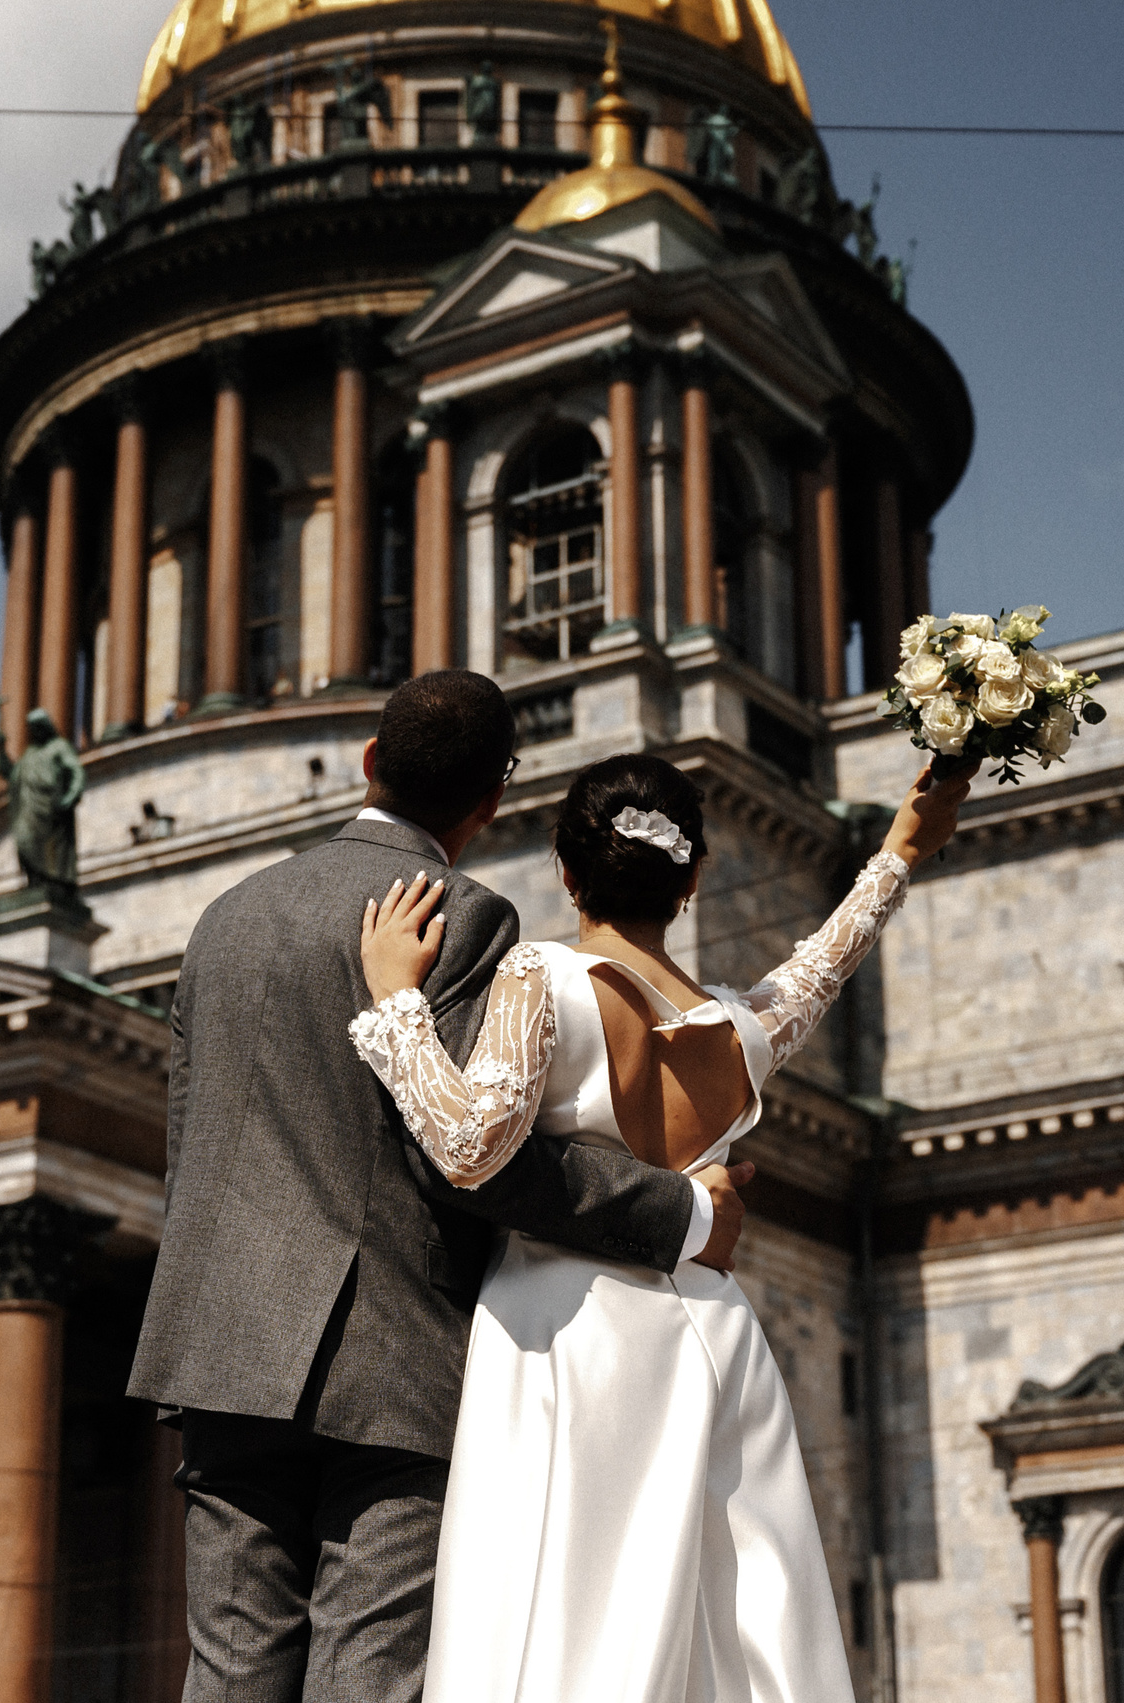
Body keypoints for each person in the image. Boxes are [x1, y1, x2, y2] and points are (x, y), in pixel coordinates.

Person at [129, 672, 753, 1702]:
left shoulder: (226, 917)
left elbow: (188, 1144)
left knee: (231, 1669)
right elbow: (472, 1155)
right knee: (367, 1673)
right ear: (492, 800)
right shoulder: (462, 914)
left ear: (369, 761)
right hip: (391, 1355)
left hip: (223, 1350)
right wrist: (680, 1210)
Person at [351, 750, 971, 1701]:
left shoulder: (541, 974)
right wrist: (899, 851)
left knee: (570, 1608)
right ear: (693, 880)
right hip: (715, 1333)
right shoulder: (740, 1029)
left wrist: (397, 1001)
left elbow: (472, 1146)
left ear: (567, 871)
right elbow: (823, 964)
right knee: (735, 1613)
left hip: (570, 1331)